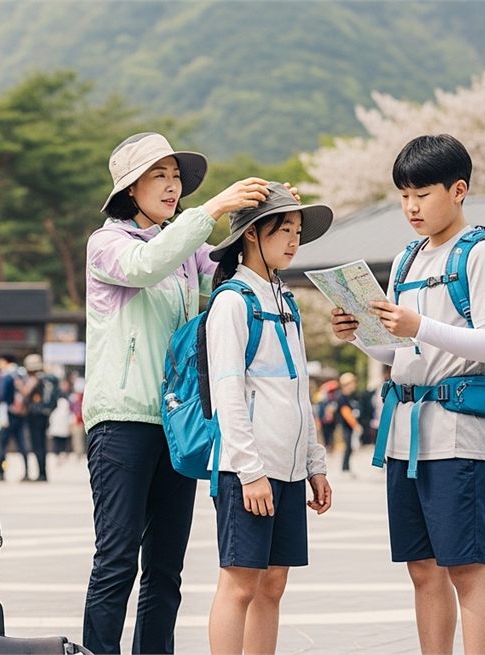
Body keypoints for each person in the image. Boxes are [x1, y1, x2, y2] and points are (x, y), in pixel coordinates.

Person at [82, 130, 284, 655]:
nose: (172, 187)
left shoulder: (179, 244)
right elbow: (148, 266)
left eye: (176, 178)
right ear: (130, 189)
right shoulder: (107, 244)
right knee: (117, 556)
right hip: (122, 420)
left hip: (175, 422)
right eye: (159, 177)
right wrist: (214, 205)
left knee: (166, 565)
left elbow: (224, 269)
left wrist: (271, 218)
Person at [331, 134, 485, 654]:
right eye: (403, 195)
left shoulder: (481, 254)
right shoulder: (407, 258)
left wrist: (419, 325)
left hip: (461, 433)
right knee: (422, 568)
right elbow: (400, 354)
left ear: (458, 190)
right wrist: (361, 337)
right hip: (407, 437)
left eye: (423, 194)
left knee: (468, 568)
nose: (411, 207)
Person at [204, 184, 333, 654]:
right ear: (253, 235)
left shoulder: (286, 301)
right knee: (240, 583)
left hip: (290, 468)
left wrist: (314, 464)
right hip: (249, 470)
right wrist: (250, 470)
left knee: (273, 583)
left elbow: (300, 392)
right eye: (285, 230)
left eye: (298, 231)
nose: (295, 241)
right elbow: (227, 393)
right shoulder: (233, 301)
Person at [20, 353, 59, 482]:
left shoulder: (35, 379)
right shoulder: (49, 379)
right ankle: (43, 473)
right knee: (42, 444)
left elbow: (25, 392)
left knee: (37, 445)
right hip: (45, 414)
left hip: (34, 415)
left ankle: (41, 474)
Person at [0, 353, 30, 481]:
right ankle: (27, 472)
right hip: (20, 413)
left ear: (5, 361)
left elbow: (2, 397)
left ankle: (0, 472)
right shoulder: (22, 373)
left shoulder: (6, 375)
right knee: (22, 444)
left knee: (2, 444)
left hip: (9, 413)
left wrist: (3, 416)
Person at [336, 372, 363, 474]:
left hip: (350, 427)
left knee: (350, 447)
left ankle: (347, 467)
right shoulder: (342, 397)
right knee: (348, 447)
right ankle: (345, 468)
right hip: (346, 426)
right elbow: (346, 412)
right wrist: (355, 425)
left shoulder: (352, 396)